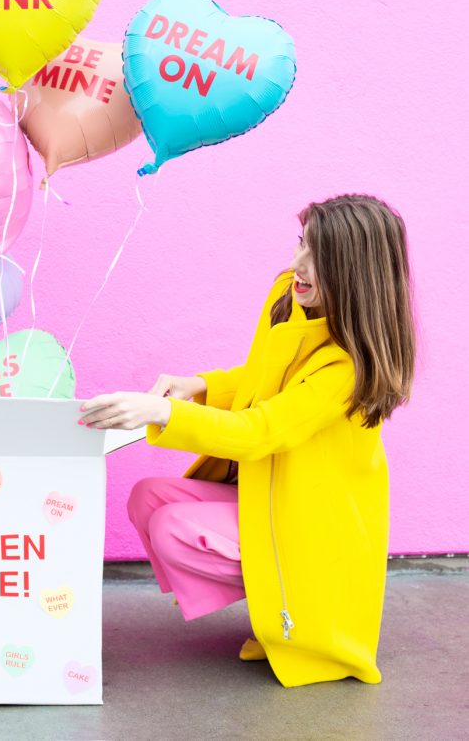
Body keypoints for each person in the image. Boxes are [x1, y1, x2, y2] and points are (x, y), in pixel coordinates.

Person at [78, 194, 416, 687]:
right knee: (147, 497)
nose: (298, 265)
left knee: (174, 527)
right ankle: (269, 597)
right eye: (301, 244)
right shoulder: (290, 297)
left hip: (311, 526)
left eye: (318, 257)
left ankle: (289, 601)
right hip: (273, 492)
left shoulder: (346, 371)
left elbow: (261, 430)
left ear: (354, 273)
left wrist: (164, 411)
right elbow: (264, 375)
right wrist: (203, 387)